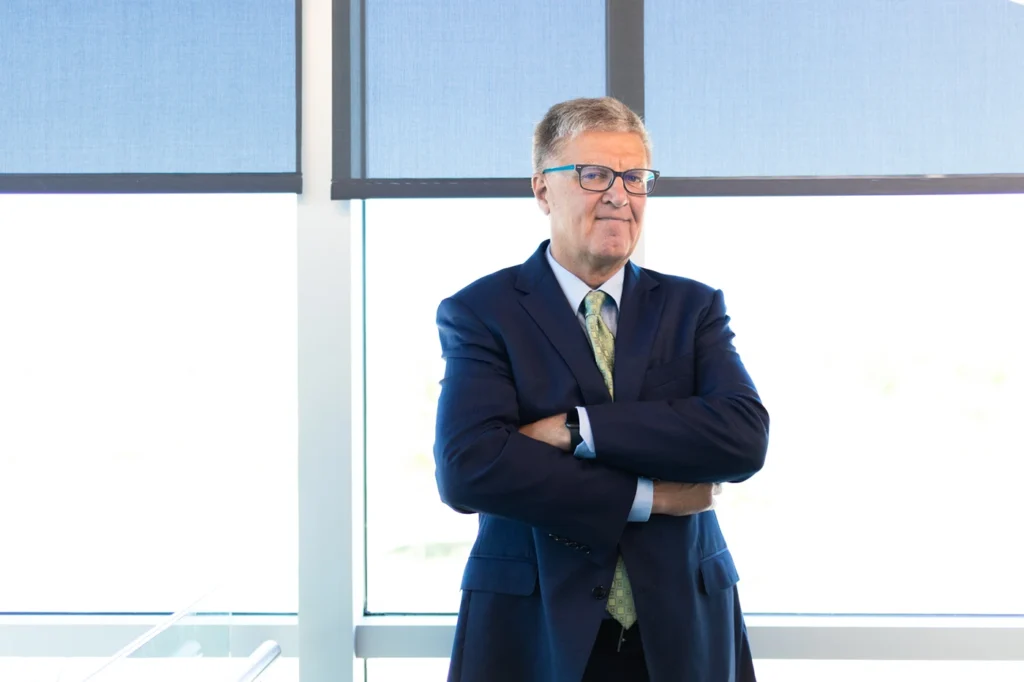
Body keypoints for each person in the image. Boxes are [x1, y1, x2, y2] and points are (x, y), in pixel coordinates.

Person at [433, 96, 769, 682]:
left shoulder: (693, 308)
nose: (620, 194)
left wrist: (575, 430)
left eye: (635, 177)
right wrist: (650, 498)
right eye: (595, 175)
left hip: (682, 627)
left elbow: (743, 439)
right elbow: (469, 470)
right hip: (533, 631)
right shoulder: (481, 312)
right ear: (543, 189)